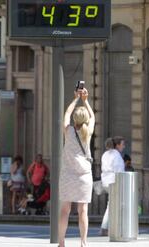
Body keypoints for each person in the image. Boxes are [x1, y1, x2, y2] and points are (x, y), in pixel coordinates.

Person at [59, 87, 95, 247]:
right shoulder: (88, 132)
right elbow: (93, 116)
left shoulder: (68, 131)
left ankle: (61, 243)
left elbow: (66, 114)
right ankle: (83, 242)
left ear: (74, 120)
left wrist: (75, 98)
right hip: (84, 176)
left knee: (65, 211)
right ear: (85, 120)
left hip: (68, 175)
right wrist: (85, 101)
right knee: (83, 211)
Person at [100, 136, 126, 236]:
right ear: (117, 145)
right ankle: (105, 227)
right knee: (113, 205)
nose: (123, 146)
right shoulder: (116, 156)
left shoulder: (105, 154)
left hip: (106, 181)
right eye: (122, 144)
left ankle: (109, 227)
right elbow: (119, 171)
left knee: (112, 204)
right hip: (114, 181)